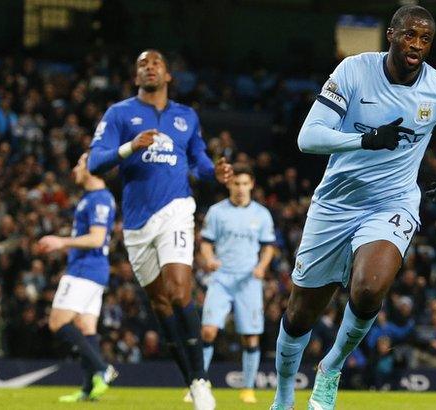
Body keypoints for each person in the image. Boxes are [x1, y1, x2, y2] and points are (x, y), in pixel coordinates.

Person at [270, 5, 436, 410]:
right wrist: (363, 141)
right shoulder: (353, 71)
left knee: (369, 291)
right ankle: (282, 398)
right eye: (409, 35)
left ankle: (330, 369)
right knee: (299, 316)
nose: (416, 45)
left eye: (424, 39)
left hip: (392, 203)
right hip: (335, 202)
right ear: (391, 34)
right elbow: (308, 137)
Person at [87, 49, 232, 409]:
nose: (149, 67)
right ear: (136, 76)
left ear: (168, 75)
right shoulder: (119, 114)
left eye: (156, 63)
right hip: (137, 223)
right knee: (162, 305)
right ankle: (192, 379)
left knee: (180, 291)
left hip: (177, 210)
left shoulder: (187, 116)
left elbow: (198, 163)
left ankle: (202, 383)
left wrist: (216, 172)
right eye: (141, 64)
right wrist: (128, 147)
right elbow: (94, 163)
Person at [37, 153, 118, 402]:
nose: (75, 168)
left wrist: (60, 241)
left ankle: (103, 370)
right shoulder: (92, 198)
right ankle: (87, 390)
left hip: (85, 270)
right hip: (93, 270)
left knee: (58, 323)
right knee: (86, 328)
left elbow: (96, 238)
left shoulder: (100, 199)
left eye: (80, 163)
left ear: (92, 168)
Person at [199, 164, 276, 404]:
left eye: (245, 183)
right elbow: (206, 242)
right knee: (208, 331)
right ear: (229, 184)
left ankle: (248, 388)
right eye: (236, 184)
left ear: (251, 184)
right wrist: (209, 259)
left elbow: (268, 247)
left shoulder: (262, 214)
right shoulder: (216, 212)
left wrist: (262, 266)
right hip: (221, 279)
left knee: (250, 336)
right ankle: (198, 383)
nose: (241, 188)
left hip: (248, 280)